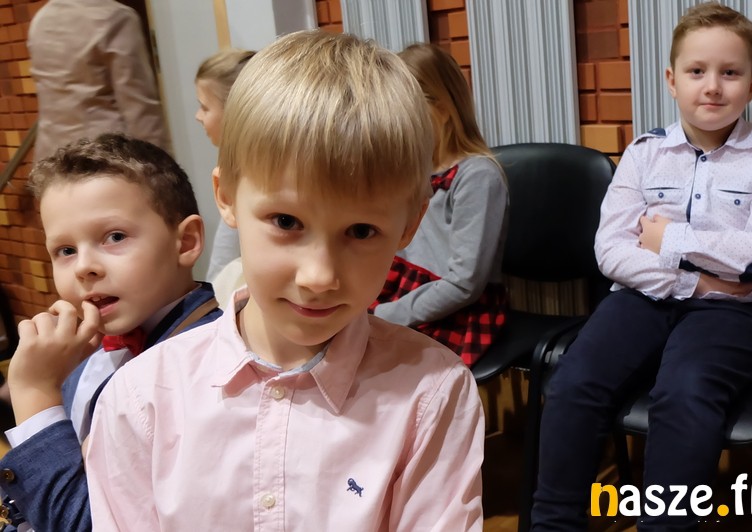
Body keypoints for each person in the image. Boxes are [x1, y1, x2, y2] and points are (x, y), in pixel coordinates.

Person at [85, 30, 485, 531]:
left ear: (409, 225)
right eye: (286, 222)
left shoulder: (431, 395)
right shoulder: (141, 399)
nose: (319, 277)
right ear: (226, 197)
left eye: (361, 231)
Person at [531, 3, 752, 530]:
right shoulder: (644, 152)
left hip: (740, 312)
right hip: (646, 297)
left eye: (730, 72)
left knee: (684, 393)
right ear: (672, 80)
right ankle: (553, 524)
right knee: (574, 381)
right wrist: (696, 278)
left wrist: (667, 238)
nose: (713, 87)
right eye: (697, 71)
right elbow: (611, 251)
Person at [0, 134, 222, 532]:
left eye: (115, 237)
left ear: (186, 242)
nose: (84, 267)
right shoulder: (83, 349)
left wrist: (34, 391)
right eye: (65, 250)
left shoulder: (209, 370)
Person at [371, 43, 509, 367]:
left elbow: (463, 284)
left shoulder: (478, 176)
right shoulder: (410, 170)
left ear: (443, 110)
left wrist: (383, 316)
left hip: (453, 311)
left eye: (406, 113)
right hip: (400, 296)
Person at [27, 0, 168, 161]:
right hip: (102, 155)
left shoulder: (41, 19)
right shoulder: (114, 17)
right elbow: (139, 108)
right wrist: (160, 163)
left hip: (51, 155)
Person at [194, 48, 255, 283]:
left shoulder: (242, 175)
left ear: (234, 112)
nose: (198, 116)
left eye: (205, 107)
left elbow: (222, 269)